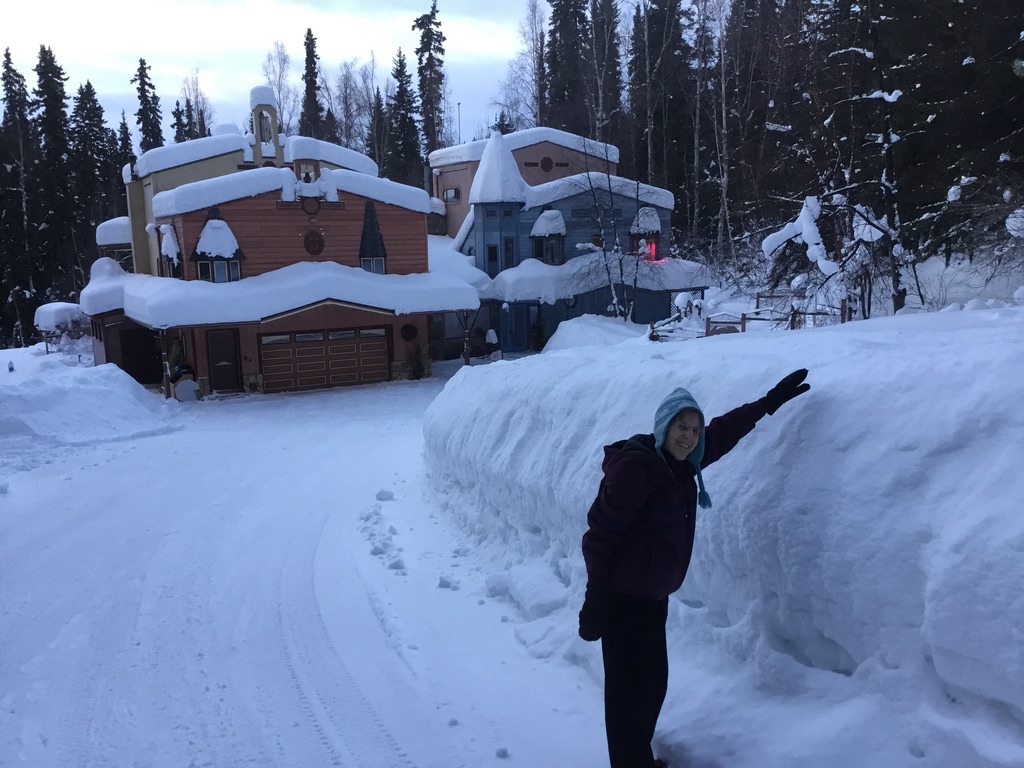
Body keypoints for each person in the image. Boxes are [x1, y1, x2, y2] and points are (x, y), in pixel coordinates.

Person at [578, 370, 811, 768]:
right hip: (622, 601)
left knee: (651, 689)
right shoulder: (638, 470)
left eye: (694, 429)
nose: (689, 435)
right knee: (627, 698)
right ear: (664, 426)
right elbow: (600, 533)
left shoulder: (681, 465)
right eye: (681, 426)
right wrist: (596, 595)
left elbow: (723, 431)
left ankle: (637, 760)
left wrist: (768, 403)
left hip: (652, 599)